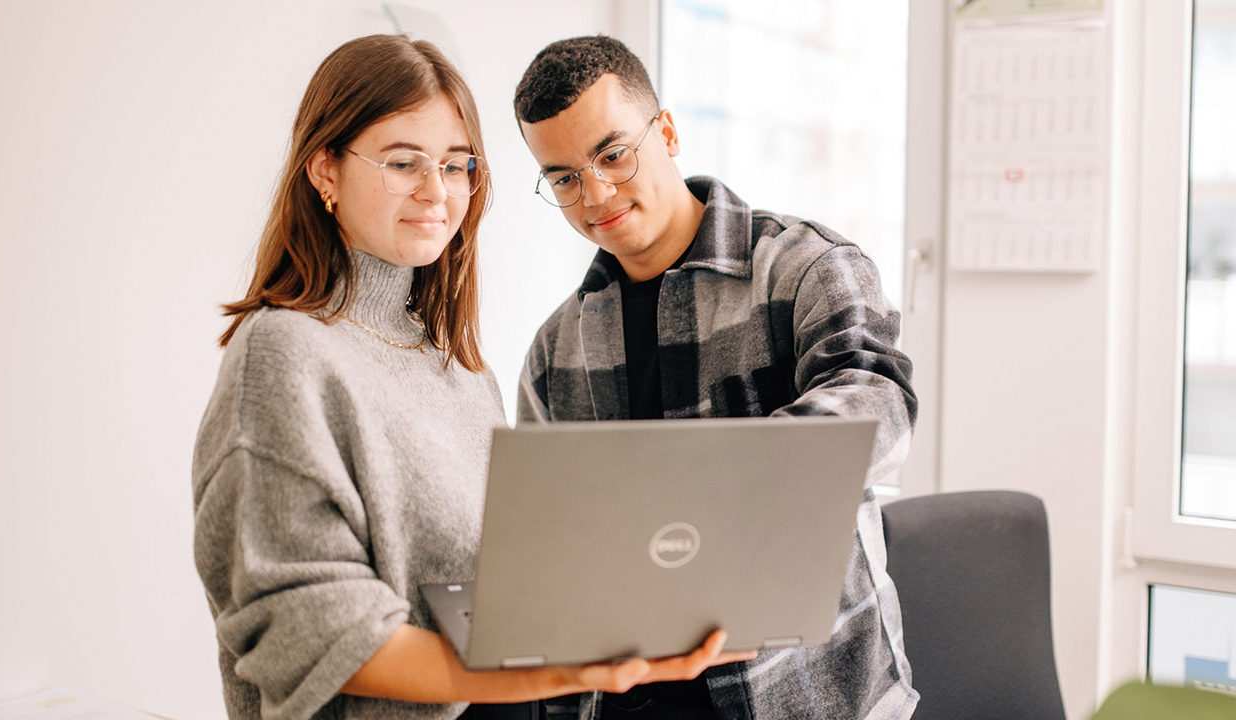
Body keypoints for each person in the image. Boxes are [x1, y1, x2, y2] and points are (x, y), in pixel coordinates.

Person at [192, 34, 754, 720]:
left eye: (457, 165)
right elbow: (312, 632)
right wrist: (561, 669)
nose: (437, 191)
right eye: (404, 163)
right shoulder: (283, 354)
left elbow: (501, 590)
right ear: (325, 171)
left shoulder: (456, 365)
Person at [513, 36, 920, 720]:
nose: (595, 194)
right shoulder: (555, 350)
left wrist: (715, 475)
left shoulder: (807, 268)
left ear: (667, 132)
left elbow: (880, 403)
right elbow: (549, 552)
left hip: (807, 696)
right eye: (563, 178)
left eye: (613, 155)